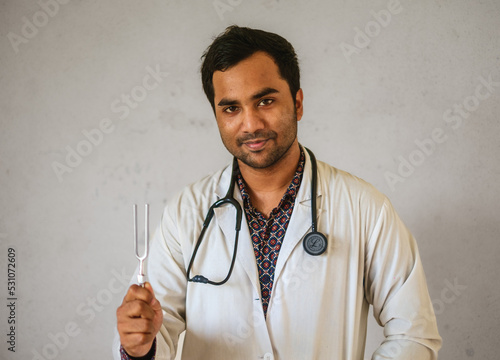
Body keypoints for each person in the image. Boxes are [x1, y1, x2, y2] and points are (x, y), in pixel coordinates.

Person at [114, 25, 441, 360]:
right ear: (216, 114)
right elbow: (156, 327)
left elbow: (414, 336)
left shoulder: (365, 208)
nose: (251, 124)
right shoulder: (187, 212)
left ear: (297, 103)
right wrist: (139, 346)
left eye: (265, 101)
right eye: (231, 108)